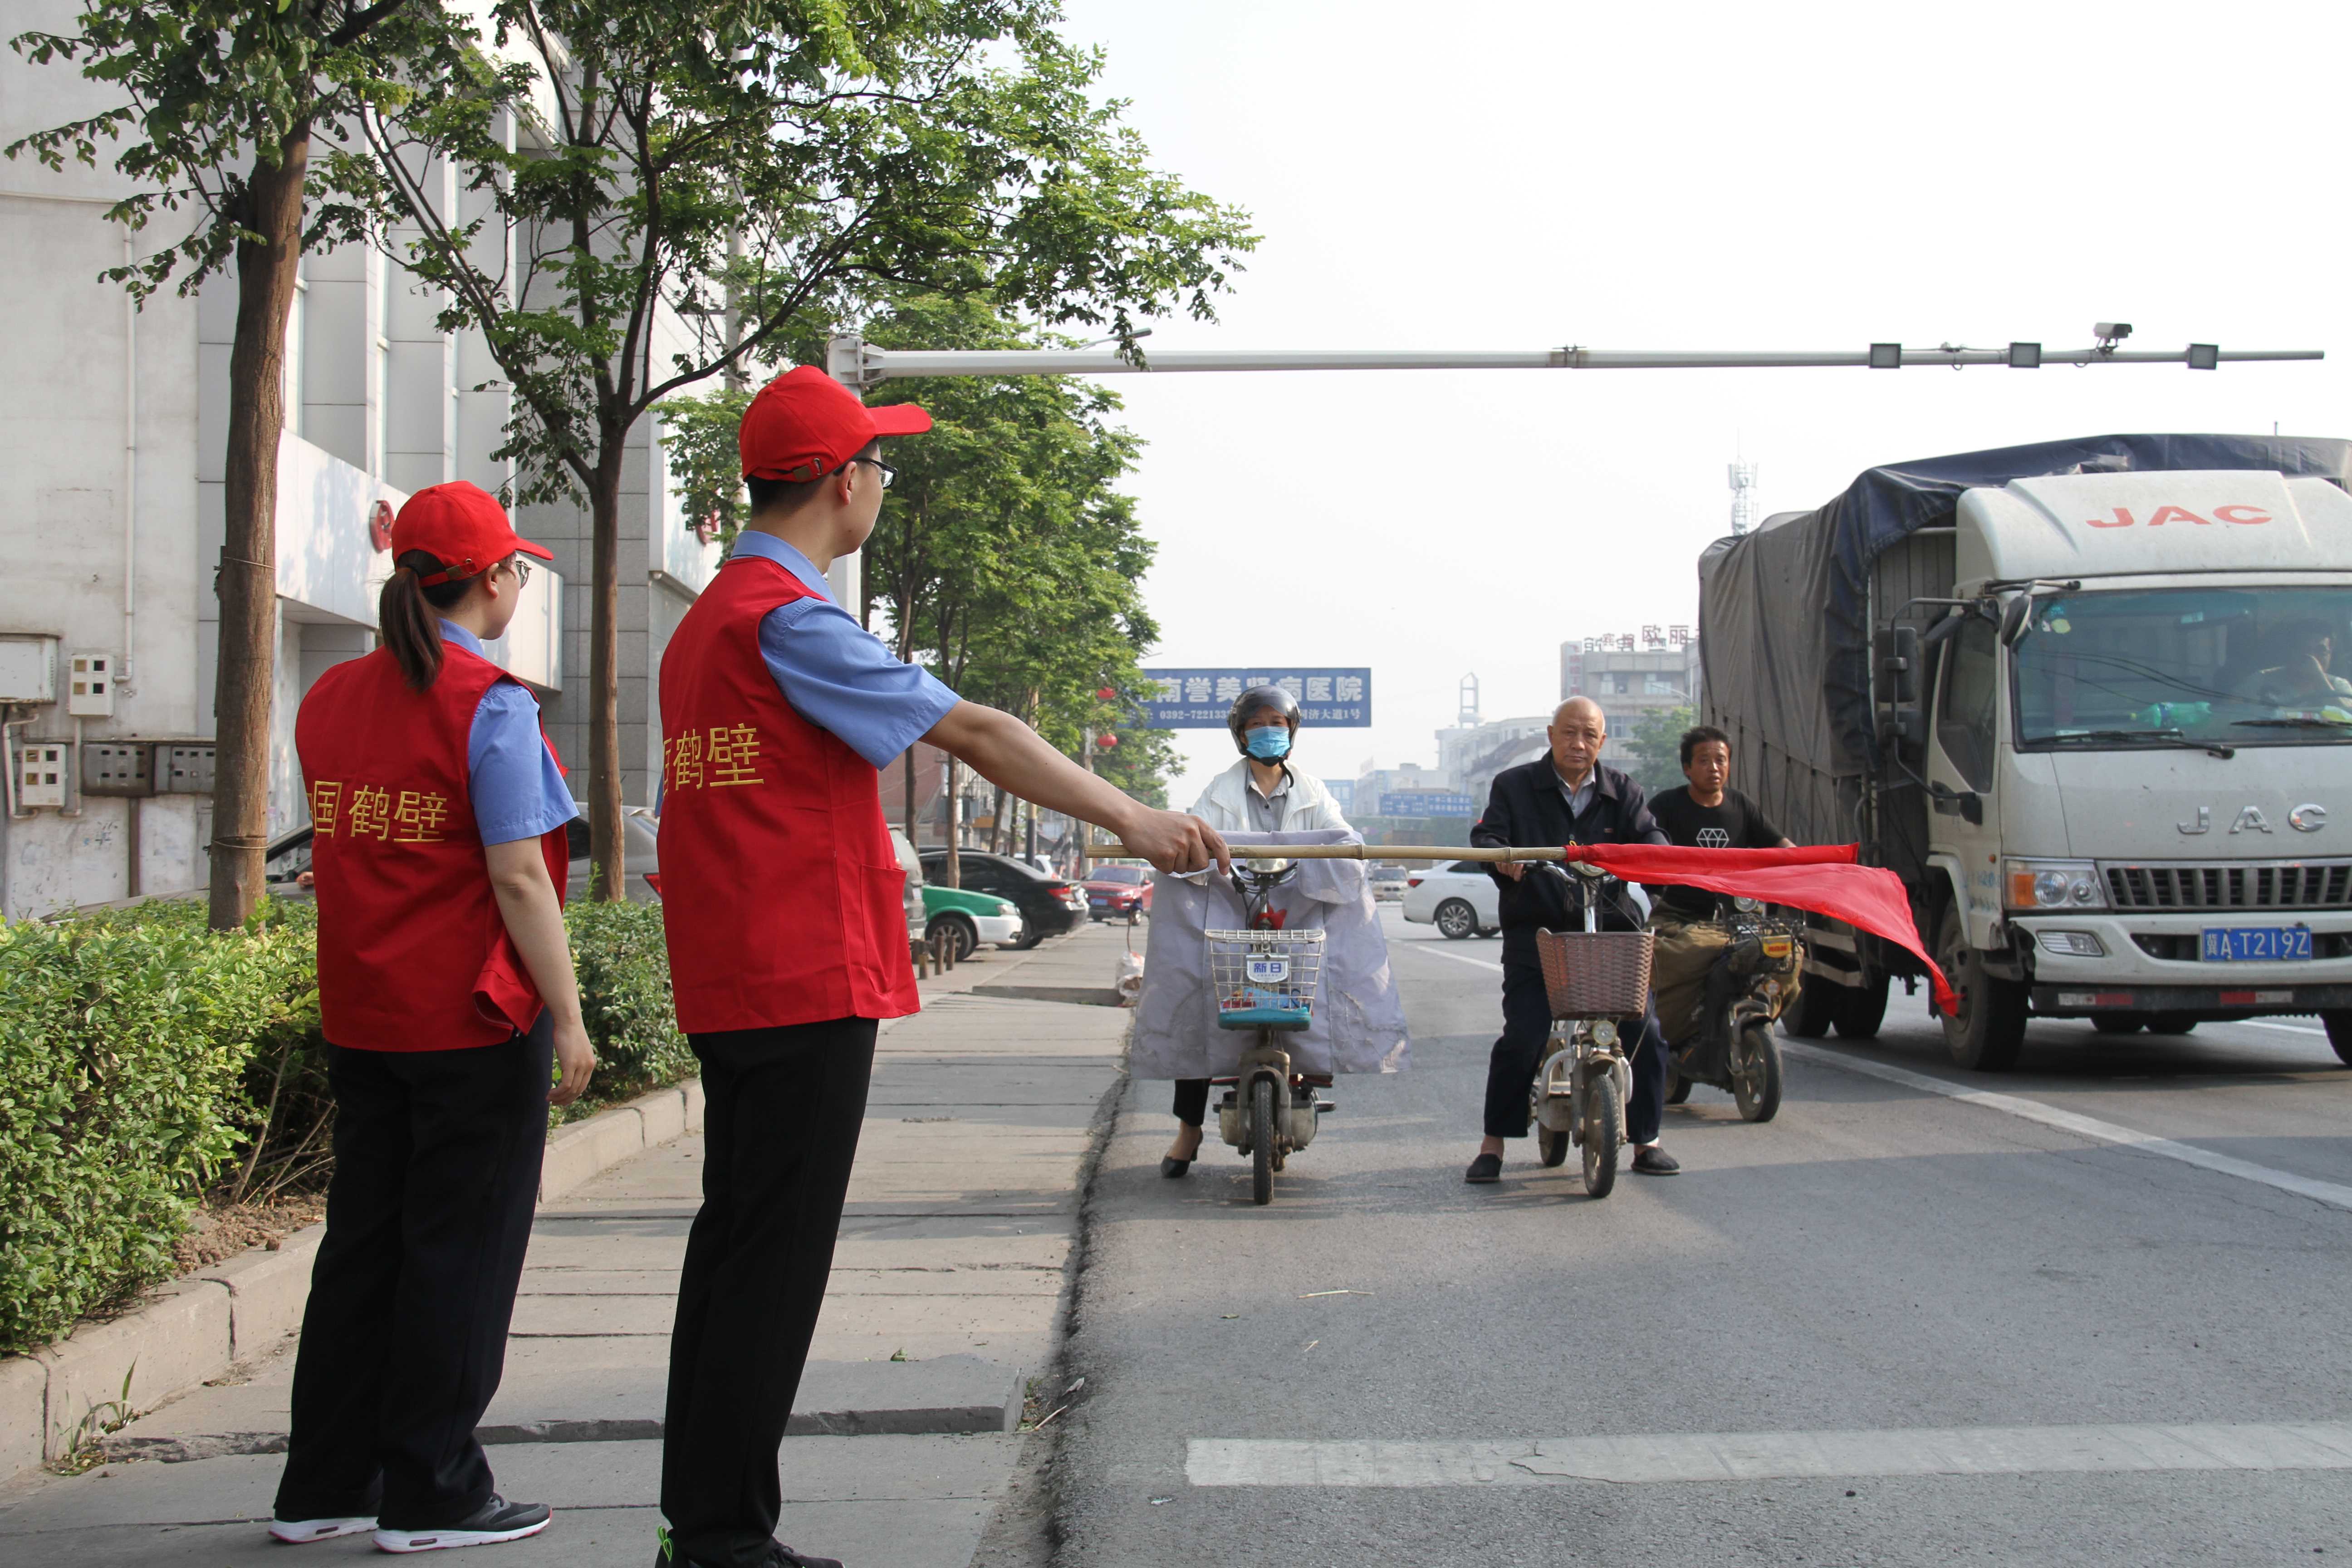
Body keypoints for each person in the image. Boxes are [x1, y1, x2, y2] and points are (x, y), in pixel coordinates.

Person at [654, 366, 1227, 1568]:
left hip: (738, 974)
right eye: (878, 464)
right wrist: (1134, 818)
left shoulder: (710, 621)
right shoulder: (790, 620)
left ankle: (706, 1523)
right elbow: (974, 730)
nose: (879, 481)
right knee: (770, 1261)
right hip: (800, 978)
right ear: (842, 481)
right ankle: (721, 1540)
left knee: (737, 1247)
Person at [272, 482, 594, 1553]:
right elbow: (518, 880)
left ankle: (325, 1480)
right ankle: (435, 1488)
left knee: (363, 1245)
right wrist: (573, 1016)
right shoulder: (489, 703)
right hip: (471, 1021)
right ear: (494, 578)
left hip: (364, 1015)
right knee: (459, 1248)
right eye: (515, 568)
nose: (518, 582)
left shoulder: (327, 699)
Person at [1465, 696, 1680, 1181]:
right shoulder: (1514, 786)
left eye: (1589, 735)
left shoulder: (1623, 791)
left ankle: (1647, 1141)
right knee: (1523, 1036)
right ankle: (1492, 1145)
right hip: (1538, 933)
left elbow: (1651, 837)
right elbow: (1487, 837)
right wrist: (1501, 855)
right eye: (1569, 733)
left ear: (1602, 742)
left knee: (1647, 1032)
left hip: (1609, 932)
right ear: (1550, 734)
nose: (1578, 743)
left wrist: (1659, 858)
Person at [1160, 685, 1355, 1176]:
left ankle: (1305, 1082)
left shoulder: (1313, 790)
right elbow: (1197, 832)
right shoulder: (1219, 792)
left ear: (1291, 731)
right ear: (1240, 734)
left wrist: (1350, 844)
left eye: (1277, 723)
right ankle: (1189, 1131)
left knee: (1322, 985)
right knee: (1200, 1001)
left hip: (1297, 911)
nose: (1268, 732)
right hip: (1234, 907)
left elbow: (1337, 833)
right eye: (1256, 724)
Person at [1643, 726, 1797, 1046]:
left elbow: (1781, 846)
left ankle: (1753, 1014)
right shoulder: (1666, 806)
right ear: (1687, 768)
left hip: (1737, 922)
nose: (1713, 767)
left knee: (1789, 955)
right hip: (1678, 920)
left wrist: (1818, 867)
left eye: (1721, 759)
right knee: (1664, 957)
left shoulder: (1741, 806)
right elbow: (1642, 849)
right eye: (1703, 760)